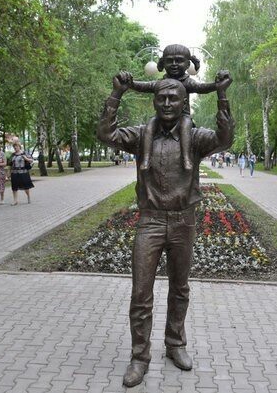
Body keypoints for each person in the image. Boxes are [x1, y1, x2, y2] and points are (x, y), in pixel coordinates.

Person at [97, 71, 233, 387]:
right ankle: (139, 357)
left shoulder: (196, 138)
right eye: (162, 98)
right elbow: (106, 134)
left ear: (184, 102)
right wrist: (116, 94)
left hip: (184, 221)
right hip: (151, 221)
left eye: (174, 98)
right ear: (155, 101)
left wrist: (222, 95)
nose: (168, 102)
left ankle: (175, 344)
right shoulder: (143, 135)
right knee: (141, 291)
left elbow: (225, 139)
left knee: (180, 288)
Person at [130, 44, 223, 171]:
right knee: (150, 125)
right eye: (170, 61)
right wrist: (130, 83)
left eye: (179, 60)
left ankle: (186, 158)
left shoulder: (187, 82)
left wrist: (217, 85)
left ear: (187, 64)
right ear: (163, 63)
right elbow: (144, 86)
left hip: (182, 116)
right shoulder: (160, 83)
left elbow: (202, 88)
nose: (174, 64)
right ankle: (146, 158)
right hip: (162, 118)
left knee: (185, 124)